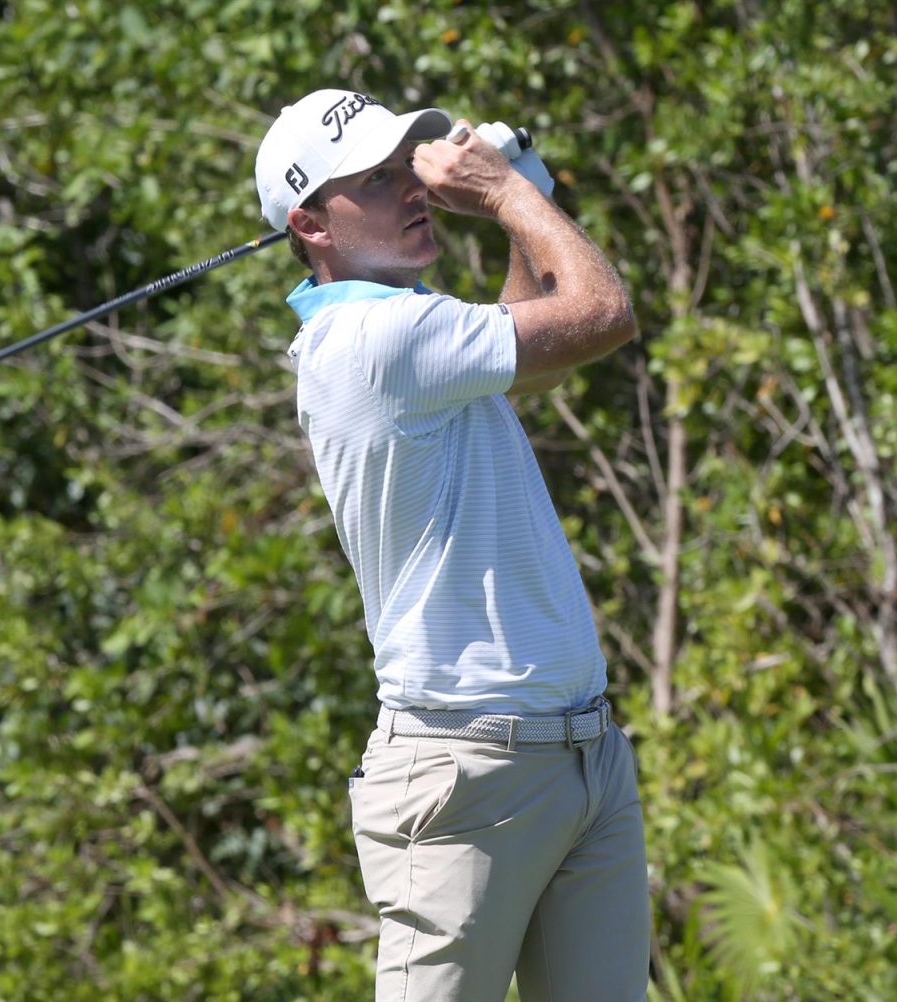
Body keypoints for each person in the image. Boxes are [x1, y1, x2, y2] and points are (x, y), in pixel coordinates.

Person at [254, 88, 650, 1001]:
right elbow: (602, 311)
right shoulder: (375, 340)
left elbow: (524, 368)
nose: (413, 187)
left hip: (585, 758)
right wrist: (510, 195)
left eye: (411, 165)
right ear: (311, 224)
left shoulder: (413, 332)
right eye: (380, 178)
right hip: (463, 776)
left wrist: (523, 201)